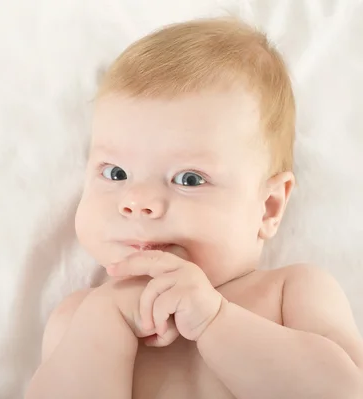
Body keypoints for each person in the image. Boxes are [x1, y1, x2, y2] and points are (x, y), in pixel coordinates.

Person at [25, 16, 363, 399]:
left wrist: (215, 321)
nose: (138, 202)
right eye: (116, 172)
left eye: (188, 179)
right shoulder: (80, 317)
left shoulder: (290, 292)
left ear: (267, 208)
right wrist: (106, 320)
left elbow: (344, 392)